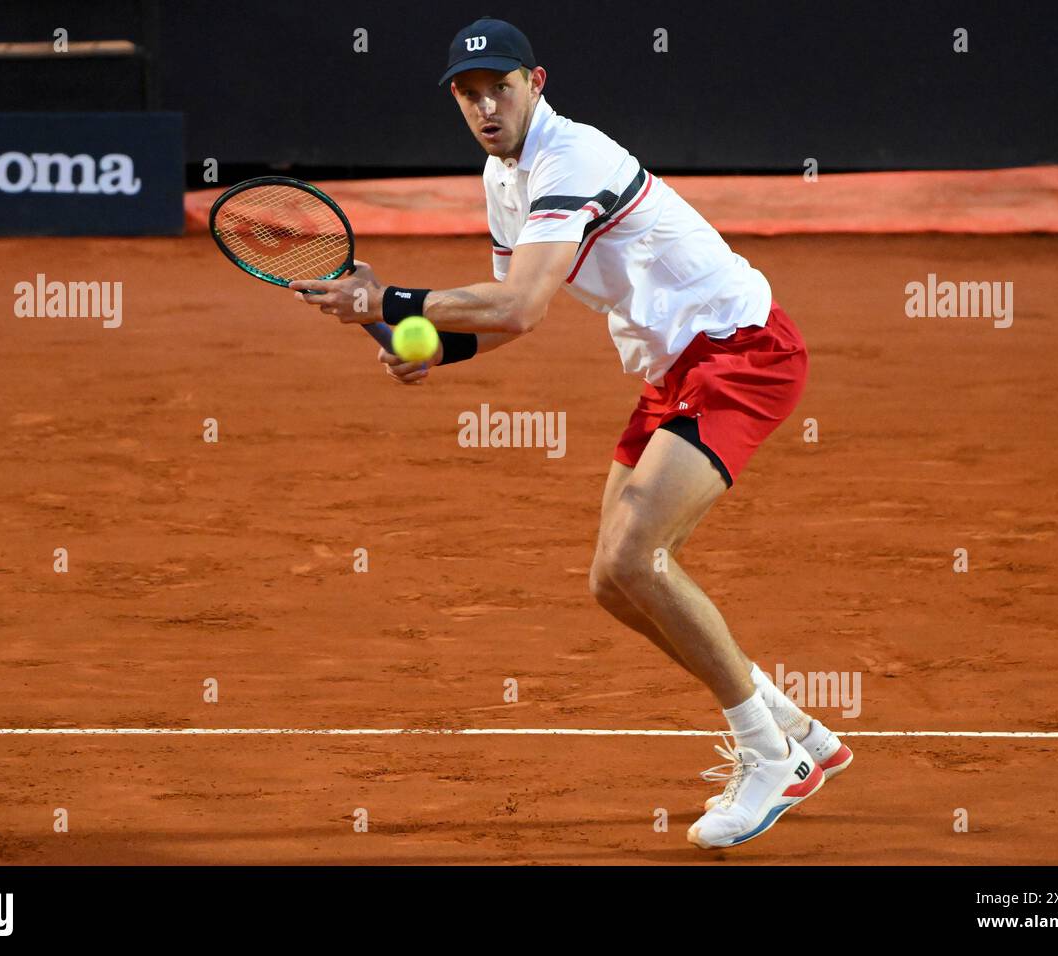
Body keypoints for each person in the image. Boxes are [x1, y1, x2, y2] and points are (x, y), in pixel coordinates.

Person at [290, 17, 851, 849]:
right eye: (468, 95)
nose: (485, 107)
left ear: (536, 83)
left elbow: (521, 303)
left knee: (638, 557)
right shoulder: (501, 175)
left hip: (743, 352)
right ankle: (795, 728)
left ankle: (769, 756)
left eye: (500, 89)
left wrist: (391, 303)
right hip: (674, 370)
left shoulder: (572, 158)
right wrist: (432, 351)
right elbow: (504, 313)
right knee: (611, 581)